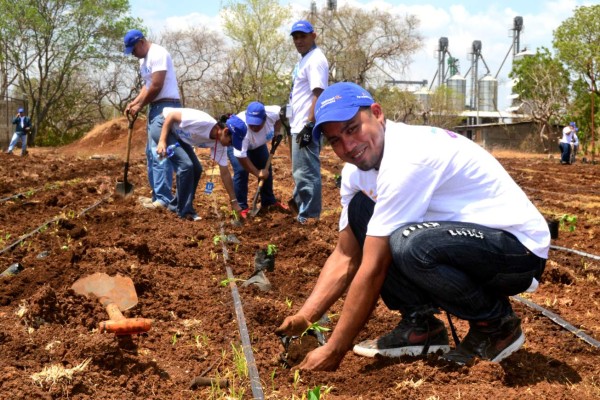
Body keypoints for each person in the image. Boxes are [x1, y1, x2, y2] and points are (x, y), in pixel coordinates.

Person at [275, 82, 550, 370]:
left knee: (409, 245)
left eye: (352, 128)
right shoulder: (355, 174)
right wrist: (306, 317)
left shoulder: (408, 158)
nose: (348, 146)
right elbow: (346, 255)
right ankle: (421, 325)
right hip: (468, 243)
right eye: (335, 140)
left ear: (378, 114)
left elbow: (373, 267)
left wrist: (334, 350)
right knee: (361, 211)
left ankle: (495, 325)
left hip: (518, 250)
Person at [123, 29, 180, 210]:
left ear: (141, 42)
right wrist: (134, 103)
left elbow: (157, 85)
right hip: (154, 108)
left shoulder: (158, 54)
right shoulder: (143, 61)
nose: (132, 53)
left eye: (133, 49)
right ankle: (157, 195)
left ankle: (163, 199)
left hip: (166, 107)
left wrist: (140, 106)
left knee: (160, 153)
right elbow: (147, 86)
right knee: (151, 154)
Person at [153, 109, 243, 220]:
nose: (231, 146)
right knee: (186, 166)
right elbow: (171, 116)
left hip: (179, 136)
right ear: (225, 131)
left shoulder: (220, 143)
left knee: (196, 169)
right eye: (232, 142)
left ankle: (175, 206)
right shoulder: (202, 121)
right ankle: (184, 212)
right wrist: (162, 141)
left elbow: (225, 173)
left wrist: (234, 202)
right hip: (163, 125)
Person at [288, 20, 329, 224]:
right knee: (299, 171)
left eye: (302, 36)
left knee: (307, 172)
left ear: (314, 36)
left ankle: (310, 217)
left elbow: (319, 93)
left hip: (306, 126)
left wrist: (309, 124)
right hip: (298, 124)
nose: (298, 40)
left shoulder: (315, 59)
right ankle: (299, 205)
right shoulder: (304, 60)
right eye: (295, 37)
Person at [230, 102, 288, 218]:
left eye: (257, 124)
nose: (254, 127)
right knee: (241, 171)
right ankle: (241, 207)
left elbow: (282, 115)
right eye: (251, 124)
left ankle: (268, 201)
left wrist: (277, 131)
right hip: (236, 145)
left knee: (266, 168)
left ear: (265, 118)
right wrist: (257, 173)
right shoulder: (242, 129)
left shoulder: (273, 112)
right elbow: (241, 157)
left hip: (258, 146)